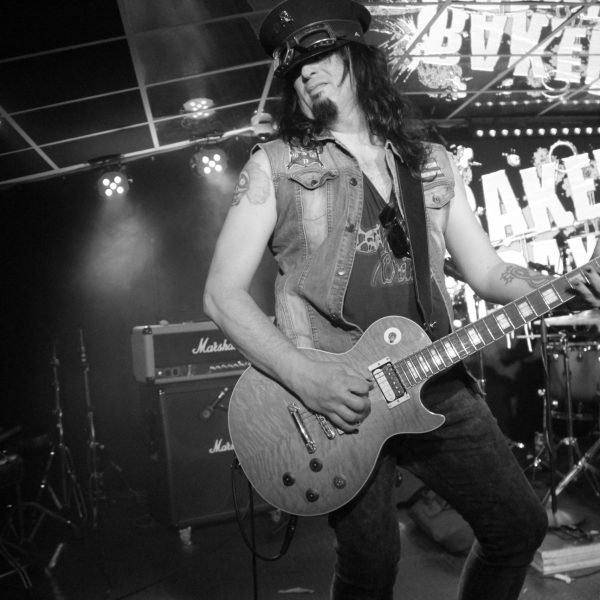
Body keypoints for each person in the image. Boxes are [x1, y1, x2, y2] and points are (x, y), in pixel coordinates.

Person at [203, 1, 600, 598]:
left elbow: (488, 271)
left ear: (359, 58)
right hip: (339, 398)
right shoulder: (276, 165)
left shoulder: (430, 163)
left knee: (519, 526)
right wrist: (307, 377)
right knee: (371, 565)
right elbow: (220, 294)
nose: (305, 72)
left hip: (434, 377)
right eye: (295, 67)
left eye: (320, 55)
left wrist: (570, 284)